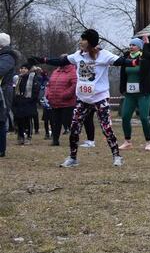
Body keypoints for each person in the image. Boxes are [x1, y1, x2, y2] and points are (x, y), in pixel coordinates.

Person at [32, 29, 125, 168]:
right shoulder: (78, 55)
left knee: (106, 128)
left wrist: (136, 62)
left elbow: (122, 61)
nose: (80, 42)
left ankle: (117, 156)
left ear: (91, 42)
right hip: (83, 99)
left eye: (83, 39)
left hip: (100, 98)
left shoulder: (104, 55)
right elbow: (60, 60)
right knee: (75, 127)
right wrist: (42, 59)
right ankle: (73, 158)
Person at [117, 37, 150, 152]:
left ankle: (148, 142)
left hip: (143, 93)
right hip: (130, 94)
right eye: (130, 45)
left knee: (144, 118)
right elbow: (123, 75)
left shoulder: (145, 58)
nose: (131, 47)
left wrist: (149, 45)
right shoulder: (126, 58)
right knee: (125, 117)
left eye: (133, 45)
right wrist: (122, 89)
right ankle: (127, 142)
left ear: (139, 47)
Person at [46, 56, 76, 146]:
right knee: (55, 122)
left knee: (69, 122)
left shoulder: (73, 71)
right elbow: (49, 84)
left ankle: (74, 140)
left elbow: (74, 85)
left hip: (67, 103)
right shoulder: (55, 71)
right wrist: (48, 94)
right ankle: (55, 140)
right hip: (55, 102)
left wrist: (65, 95)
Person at [0, 32, 18, 158]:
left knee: (0, 120)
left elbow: (1, 70)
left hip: (3, 92)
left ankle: (1, 149)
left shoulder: (7, 57)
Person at [12, 64, 40, 145]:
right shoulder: (18, 78)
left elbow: (36, 90)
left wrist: (31, 100)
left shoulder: (32, 78)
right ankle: (20, 136)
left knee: (28, 120)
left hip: (28, 102)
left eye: (25, 68)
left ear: (28, 70)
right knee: (19, 120)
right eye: (22, 68)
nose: (23, 70)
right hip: (19, 102)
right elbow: (15, 90)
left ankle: (28, 136)